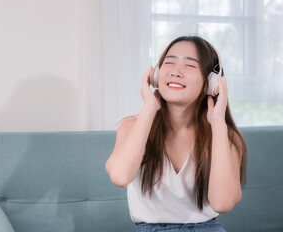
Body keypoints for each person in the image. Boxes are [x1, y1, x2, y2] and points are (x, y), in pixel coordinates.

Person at [105, 35, 247, 232]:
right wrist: (149, 108)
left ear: (211, 82)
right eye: (169, 62)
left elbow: (222, 203)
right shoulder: (131, 126)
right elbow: (120, 176)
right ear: (156, 75)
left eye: (190, 66)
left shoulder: (225, 136)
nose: (175, 72)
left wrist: (218, 125)